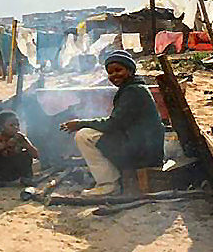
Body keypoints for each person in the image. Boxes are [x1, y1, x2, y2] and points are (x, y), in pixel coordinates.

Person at [60, 50, 165, 196]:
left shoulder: (133, 92)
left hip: (143, 153)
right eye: (110, 72)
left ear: (129, 70)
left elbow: (112, 124)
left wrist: (80, 123)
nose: (114, 75)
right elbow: (117, 122)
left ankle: (108, 183)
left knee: (84, 136)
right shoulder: (132, 88)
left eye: (118, 70)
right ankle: (110, 178)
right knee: (90, 133)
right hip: (144, 147)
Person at [0, 110, 38, 186]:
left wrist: (26, 144)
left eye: (17, 125)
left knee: (25, 155)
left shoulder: (21, 138)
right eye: (12, 125)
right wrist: (4, 146)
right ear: (1, 128)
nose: (16, 127)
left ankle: (25, 179)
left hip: (15, 170)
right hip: (1, 170)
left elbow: (36, 155)